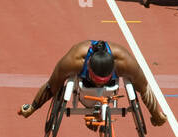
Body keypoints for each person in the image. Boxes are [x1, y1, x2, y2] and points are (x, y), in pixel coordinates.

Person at [18, 39, 169, 127]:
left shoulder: (125, 62)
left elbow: (144, 88)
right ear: (88, 66)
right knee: (57, 83)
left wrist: (156, 114)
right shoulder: (74, 60)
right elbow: (52, 86)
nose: (99, 84)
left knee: (138, 83)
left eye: (101, 81)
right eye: (97, 80)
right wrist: (32, 107)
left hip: (110, 89)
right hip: (84, 88)